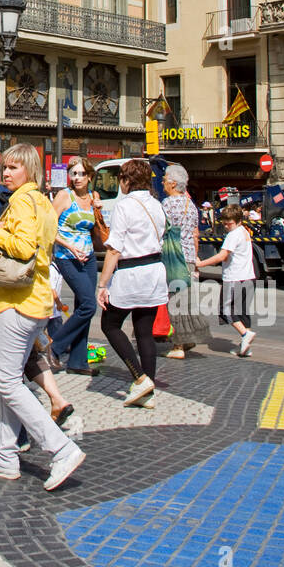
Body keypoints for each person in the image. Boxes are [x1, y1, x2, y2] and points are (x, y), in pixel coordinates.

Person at [0, 144, 86, 490]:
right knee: (11, 380)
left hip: (16, 302)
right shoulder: (42, 200)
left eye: (14, 168)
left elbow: (23, 248)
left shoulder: (21, 201)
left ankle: (60, 448)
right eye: (5, 167)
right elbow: (48, 245)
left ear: (30, 170)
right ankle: (6, 455)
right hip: (36, 301)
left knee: (6, 382)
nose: (7, 174)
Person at [96, 157, 168, 408]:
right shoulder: (157, 205)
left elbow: (114, 250)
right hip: (154, 271)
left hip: (132, 272)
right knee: (144, 331)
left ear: (126, 181)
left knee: (110, 324)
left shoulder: (125, 206)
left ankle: (140, 378)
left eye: (122, 180)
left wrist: (103, 284)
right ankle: (147, 391)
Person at [48, 157, 99, 375]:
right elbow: (48, 227)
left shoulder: (93, 197)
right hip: (66, 256)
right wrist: (68, 245)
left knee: (82, 308)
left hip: (89, 257)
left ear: (89, 177)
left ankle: (78, 361)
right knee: (89, 305)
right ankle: (56, 345)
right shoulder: (63, 196)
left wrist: (99, 210)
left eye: (80, 174)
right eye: (73, 173)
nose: (76, 178)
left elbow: (97, 229)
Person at [162, 162, 210, 359]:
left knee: (174, 301)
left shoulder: (167, 204)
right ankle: (189, 338)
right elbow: (195, 234)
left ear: (173, 183)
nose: (163, 182)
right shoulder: (191, 205)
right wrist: (195, 258)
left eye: (165, 180)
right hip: (189, 257)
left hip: (173, 258)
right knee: (188, 301)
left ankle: (178, 346)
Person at [195, 204, 257, 356]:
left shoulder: (233, 235)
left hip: (234, 278)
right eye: (224, 222)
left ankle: (245, 335)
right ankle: (245, 346)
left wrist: (200, 263)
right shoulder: (244, 232)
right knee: (242, 312)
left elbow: (222, 256)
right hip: (249, 277)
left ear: (237, 220)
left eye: (228, 222)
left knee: (225, 310)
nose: (226, 225)